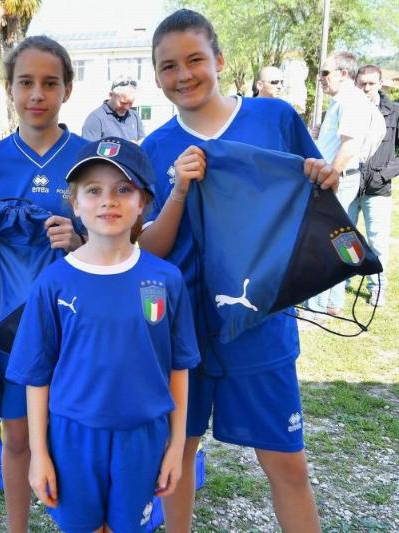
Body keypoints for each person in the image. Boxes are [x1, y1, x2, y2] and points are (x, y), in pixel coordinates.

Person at [138, 10, 338, 533]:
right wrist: (179, 189)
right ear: (156, 76)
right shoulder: (154, 148)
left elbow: (313, 201)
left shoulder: (275, 118)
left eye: (195, 60)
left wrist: (323, 178)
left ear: (220, 60)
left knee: (287, 464)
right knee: (175, 457)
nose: (183, 75)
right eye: (168, 66)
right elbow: (148, 247)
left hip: (259, 320)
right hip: (182, 325)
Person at [7, 137, 200, 533]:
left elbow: (179, 367)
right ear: (75, 204)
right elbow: (36, 376)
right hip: (73, 438)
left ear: (143, 201)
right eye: (93, 190)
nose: (108, 201)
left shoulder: (165, 279)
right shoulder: (53, 283)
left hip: (142, 437)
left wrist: (177, 445)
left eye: (123, 189)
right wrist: (39, 453)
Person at [0, 35, 88, 533]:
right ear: (9, 88)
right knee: (16, 435)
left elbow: (121, 234)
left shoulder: (89, 155)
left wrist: (78, 238)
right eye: (26, 82)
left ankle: (80, 521)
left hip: (77, 315)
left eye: (50, 83)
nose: (37, 94)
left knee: (74, 431)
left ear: (67, 90)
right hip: (12, 321)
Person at [305, 51, 381, 316]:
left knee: (324, 241)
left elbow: (350, 145)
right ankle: (332, 302)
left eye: (325, 72)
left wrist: (330, 176)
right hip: (339, 178)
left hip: (338, 179)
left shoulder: (351, 100)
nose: (320, 78)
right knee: (338, 240)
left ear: (344, 73)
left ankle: (315, 308)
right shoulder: (342, 101)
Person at [353, 64, 399, 306]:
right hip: (349, 185)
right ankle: (340, 281)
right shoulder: (346, 108)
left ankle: (377, 287)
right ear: (356, 83)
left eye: (371, 83)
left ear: (380, 84)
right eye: (362, 83)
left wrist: (384, 174)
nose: (366, 88)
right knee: (344, 239)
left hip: (378, 189)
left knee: (377, 242)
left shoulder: (394, 112)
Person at [82, 76, 146, 142]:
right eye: (123, 103)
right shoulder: (95, 119)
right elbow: (89, 148)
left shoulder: (134, 116)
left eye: (130, 103)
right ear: (111, 95)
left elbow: (142, 142)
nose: (127, 108)